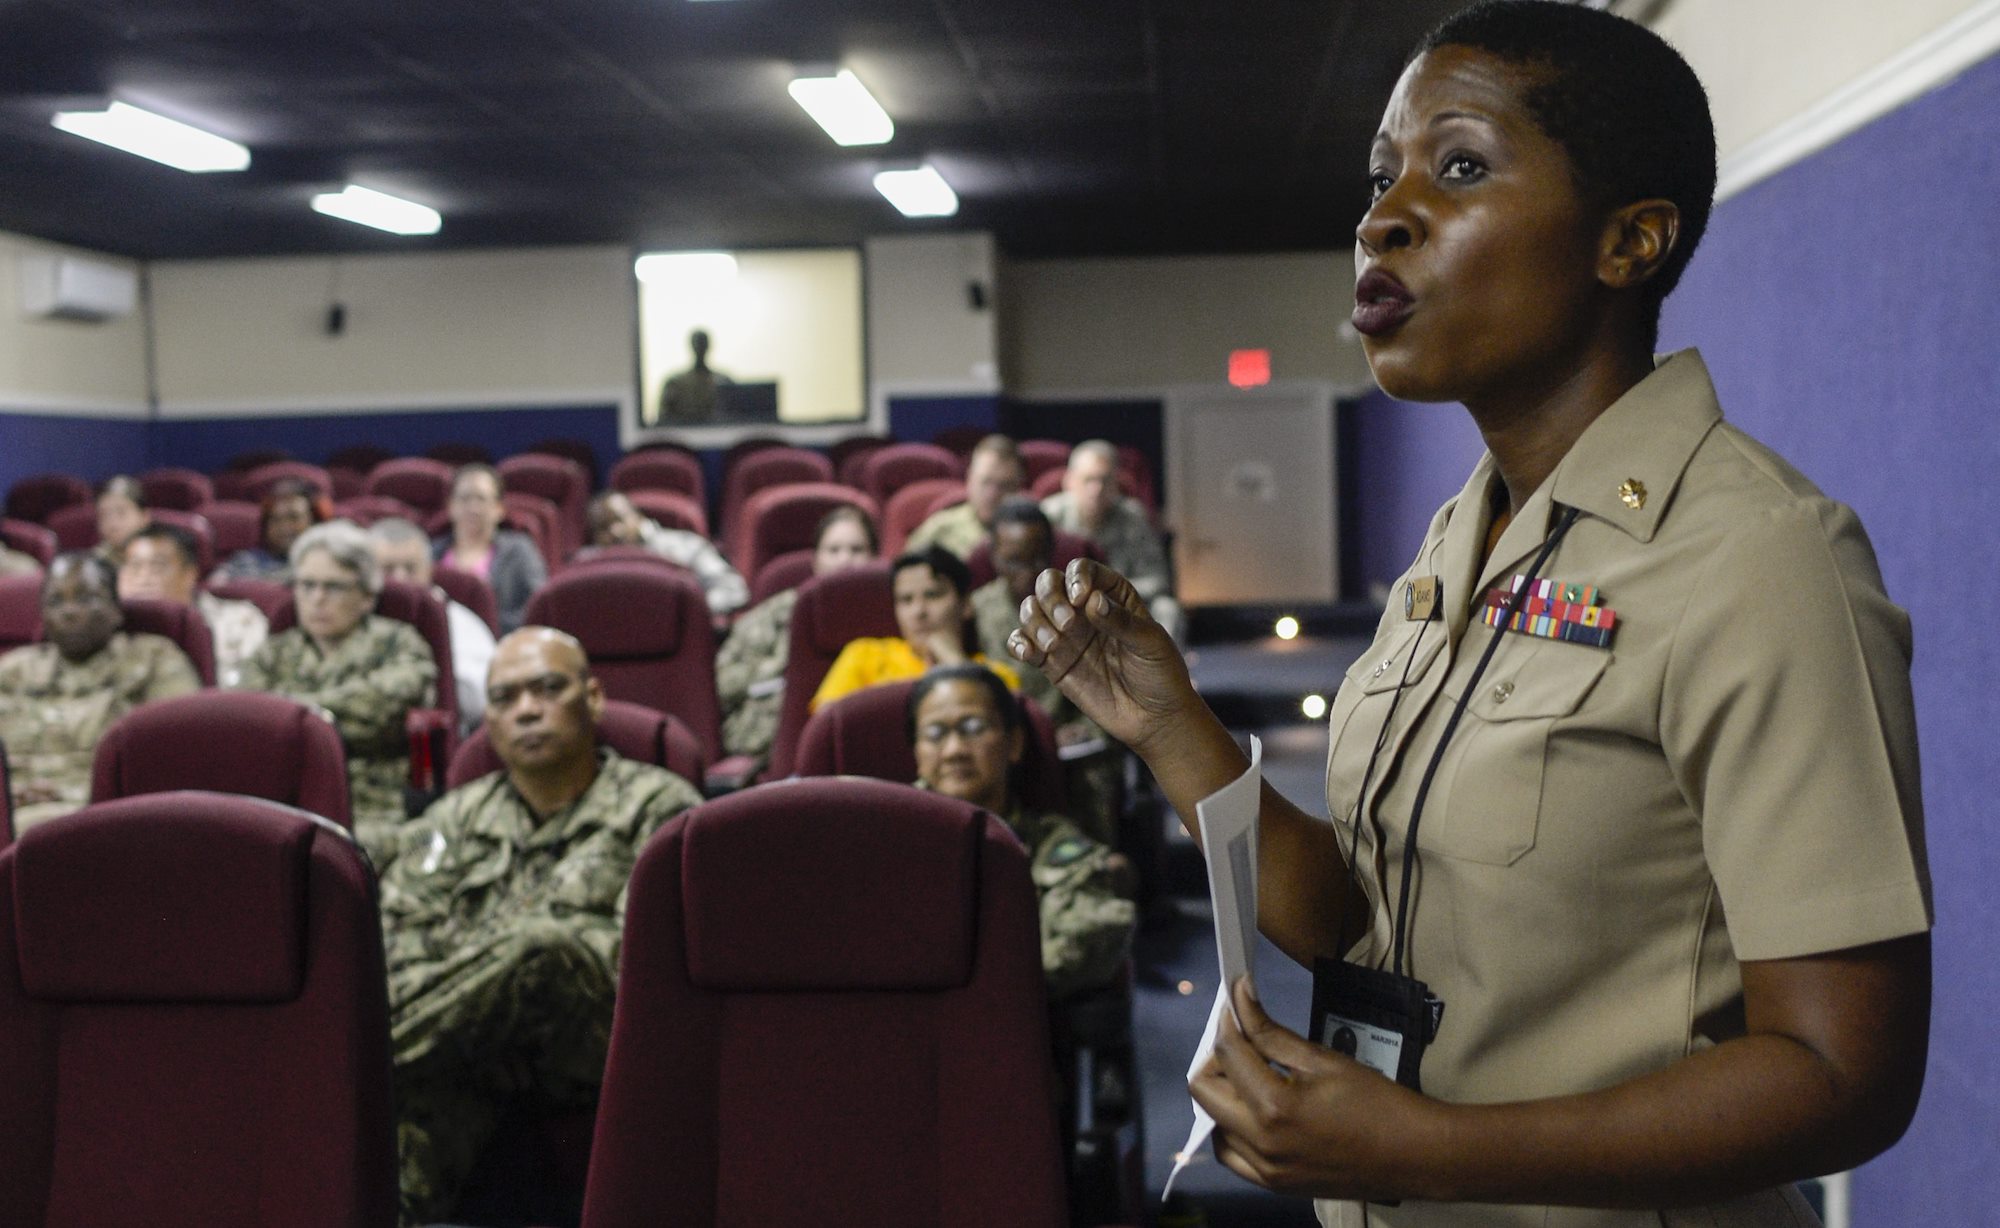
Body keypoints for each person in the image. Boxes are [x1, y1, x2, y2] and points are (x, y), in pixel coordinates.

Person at [1011, 5, 1930, 1225]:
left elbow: (1841, 1076)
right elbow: (1363, 915)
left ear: (1629, 242)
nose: (1381, 215)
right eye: (1380, 174)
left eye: (1457, 167)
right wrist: (1171, 727)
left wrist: (1429, 1149)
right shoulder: (1461, 535)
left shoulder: (1759, 562)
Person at [376, 627, 702, 1224]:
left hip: (601, 1044)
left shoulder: (660, 809)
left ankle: (331, 1065)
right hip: (470, 1046)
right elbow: (396, 948)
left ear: (594, 698)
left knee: (543, 951)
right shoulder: (454, 818)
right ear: (489, 721)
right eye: (504, 698)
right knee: (402, 1131)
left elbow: (645, 967)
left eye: (548, 689)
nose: (526, 709)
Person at [909, 664, 1133, 1001]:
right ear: (917, 753)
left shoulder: (1052, 844)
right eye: (936, 733)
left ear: (1014, 743)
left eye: (973, 728)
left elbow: (1082, 943)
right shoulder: (888, 839)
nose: (954, 750)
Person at [236, 520, 437, 859]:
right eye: (307, 585)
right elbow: (248, 723)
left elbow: (385, 708)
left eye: (333, 587)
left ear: (366, 596)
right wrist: (324, 715)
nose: (317, 599)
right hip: (281, 798)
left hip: (372, 804)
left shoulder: (398, 642)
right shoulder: (272, 652)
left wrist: (289, 715)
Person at [0, 552, 199, 833]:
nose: (68, 611)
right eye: (55, 601)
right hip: (12, 809)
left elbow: (176, 753)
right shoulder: (12, 671)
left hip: (109, 816)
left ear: (115, 609)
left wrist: (67, 793)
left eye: (84, 598)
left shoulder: (154, 660)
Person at [970, 497, 1121, 844]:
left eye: (1037, 560)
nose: (1026, 573)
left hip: (1069, 739)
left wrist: (1083, 730)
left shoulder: (1073, 612)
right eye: (1013, 561)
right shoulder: (975, 612)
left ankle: (1093, 863)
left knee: (1097, 765)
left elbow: (1102, 688)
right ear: (994, 556)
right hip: (998, 741)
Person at [715, 503, 876, 771]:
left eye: (857, 550)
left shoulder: (889, 613)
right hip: (770, 746)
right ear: (815, 560)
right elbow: (721, 684)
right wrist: (779, 666)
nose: (845, 560)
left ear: (875, 557)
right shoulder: (779, 612)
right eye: (834, 550)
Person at [810, 544, 1018, 713]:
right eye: (906, 600)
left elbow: (1001, 733)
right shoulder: (864, 655)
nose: (919, 611)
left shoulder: (997, 677)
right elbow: (827, 729)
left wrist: (954, 661)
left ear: (965, 605)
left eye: (932, 595)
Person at [1041, 440, 1181, 641]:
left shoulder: (1133, 517)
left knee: (1167, 610)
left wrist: (1107, 591)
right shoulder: (1049, 517)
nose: (1096, 489)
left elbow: (1157, 580)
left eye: (1104, 480)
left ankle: (1168, 671)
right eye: (1088, 480)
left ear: (1116, 484)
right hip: (1068, 608)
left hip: (1120, 606)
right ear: (1069, 481)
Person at [370, 516, 496, 733]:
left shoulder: (459, 622)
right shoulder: (349, 619)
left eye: (410, 568)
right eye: (388, 569)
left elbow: (481, 699)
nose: (400, 579)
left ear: (428, 570)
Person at [118, 522, 268, 686]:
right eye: (135, 567)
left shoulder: (239, 622)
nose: (144, 579)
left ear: (190, 574)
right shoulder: (108, 629)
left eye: (157, 566)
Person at [583, 490, 748, 617]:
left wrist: (685, 610)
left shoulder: (685, 545)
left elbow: (732, 589)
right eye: (603, 527)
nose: (615, 532)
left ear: (638, 516)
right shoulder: (587, 565)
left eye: (619, 519)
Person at [433, 463, 546, 634]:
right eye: (464, 498)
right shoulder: (431, 552)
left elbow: (538, 608)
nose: (473, 508)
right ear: (450, 506)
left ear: (499, 508)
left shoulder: (520, 550)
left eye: (481, 499)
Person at [905, 433, 1025, 559]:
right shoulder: (942, 528)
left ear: (1019, 487)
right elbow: (906, 570)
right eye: (985, 482)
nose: (992, 494)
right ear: (969, 479)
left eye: (1004, 485)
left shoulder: (1034, 531)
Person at [209, 477, 328, 583]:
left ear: (314, 522)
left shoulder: (331, 564)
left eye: (293, 517)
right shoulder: (243, 562)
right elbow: (213, 588)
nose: (284, 527)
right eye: (275, 519)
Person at [658, 328, 733, 424]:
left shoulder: (723, 382)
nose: (699, 347)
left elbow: (733, 416)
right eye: (697, 343)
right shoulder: (675, 383)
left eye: (702, 343)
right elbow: (664, 419)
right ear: (691, 346)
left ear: (708, 346)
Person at [92, 475, 150, 563]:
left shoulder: (168, 557)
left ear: (145, 517)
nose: (113, 524)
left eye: (121, 513)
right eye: (104, 515)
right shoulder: (94, 563)